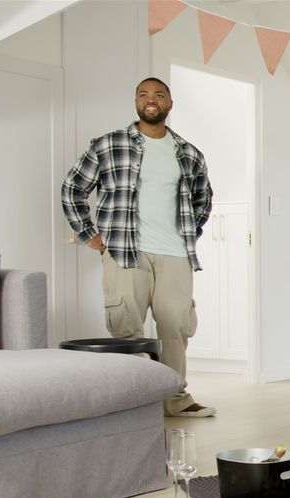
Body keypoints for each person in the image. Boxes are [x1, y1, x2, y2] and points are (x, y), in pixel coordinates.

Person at [61, 77, 215, 417]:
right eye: (144, 94)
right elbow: (73, 188)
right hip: (124, 249)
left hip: (176, 253)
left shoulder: (188, 153)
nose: (151, 100)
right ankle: (131, 403)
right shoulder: (107, 145)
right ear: (135, 102)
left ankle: (174, 399)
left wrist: (190, 231)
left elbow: (204, 199)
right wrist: (88, 233)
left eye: (159, 95)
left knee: (175, 327)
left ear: (169, 104)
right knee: (126, 327)